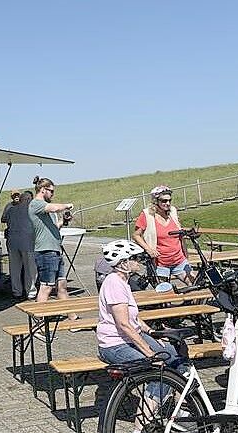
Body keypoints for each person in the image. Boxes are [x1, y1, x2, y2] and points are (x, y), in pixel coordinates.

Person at [97, 240, 188, 433]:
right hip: (114, 345)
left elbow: (134, 318)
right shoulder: (114, 283)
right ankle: (141, 426)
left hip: (129, 337)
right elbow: (123, 324)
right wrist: (149, 353)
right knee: (158, 371)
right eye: (136, 258)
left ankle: (179, 410)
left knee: (174, 356)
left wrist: (152, 333)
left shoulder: (123, 282)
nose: (139, 262)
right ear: (123, 262)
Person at [28, 176, 75, 309]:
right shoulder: (36, 204)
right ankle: (39, 319)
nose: (53, 194)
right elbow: (54, 208)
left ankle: (72, 317)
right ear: (43, 189)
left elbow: (54, 227)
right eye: (51, 191)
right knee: (46, 287)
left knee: (62, 286)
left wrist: (64, 221)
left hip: (55, 251)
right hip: (46, 252)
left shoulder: (45, 209)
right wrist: (67, 205)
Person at [132, 185, 194, 284]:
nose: (167, 203)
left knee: (194, 284)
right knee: (164, 291)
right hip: (160, 263)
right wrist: (148, 249)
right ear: (156, 201)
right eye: (164, 201)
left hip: (179, 260)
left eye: (169, 200)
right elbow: (136, 235)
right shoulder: (147, 215)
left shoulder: (173, 211)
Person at [2, 190, 37, 300]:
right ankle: (30, 292)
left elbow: (4, 220)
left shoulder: (10, 209)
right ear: (29, 199)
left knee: (14, 269)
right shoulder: (32, 210)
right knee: (30, 269)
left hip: (12, 241)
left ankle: (16, 291)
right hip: (27, 241)